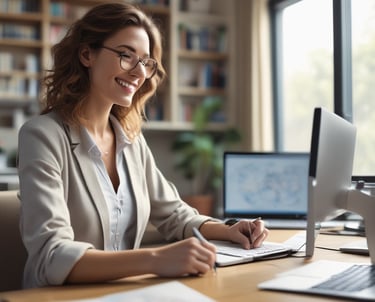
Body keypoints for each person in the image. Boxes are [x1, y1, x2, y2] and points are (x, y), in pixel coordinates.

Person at [17, 2, 269, 289]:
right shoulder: (42, 136)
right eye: (126, 55)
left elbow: (175, 214)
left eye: (146, 62)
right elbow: (51, 256)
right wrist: (155, 259)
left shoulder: (131, 140)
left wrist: (229, 229)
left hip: (124, 293)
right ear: (87, 54)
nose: (138, 72)